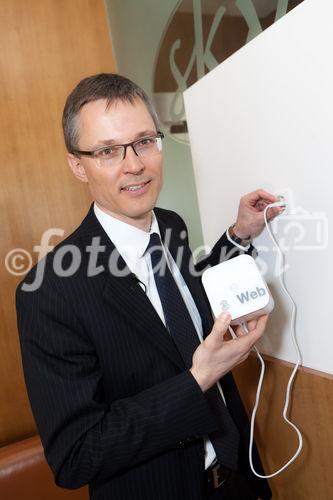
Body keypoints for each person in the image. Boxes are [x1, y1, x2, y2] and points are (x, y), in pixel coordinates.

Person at [16, 73, 280, 500]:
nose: (134, 164)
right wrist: (200, 377)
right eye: (107, 151)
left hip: (239, 480)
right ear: (77, 165)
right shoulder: (48, 293)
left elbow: (187, 302)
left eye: (144, 141)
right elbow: (76, 455)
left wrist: (238, 236)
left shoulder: (171, 225)